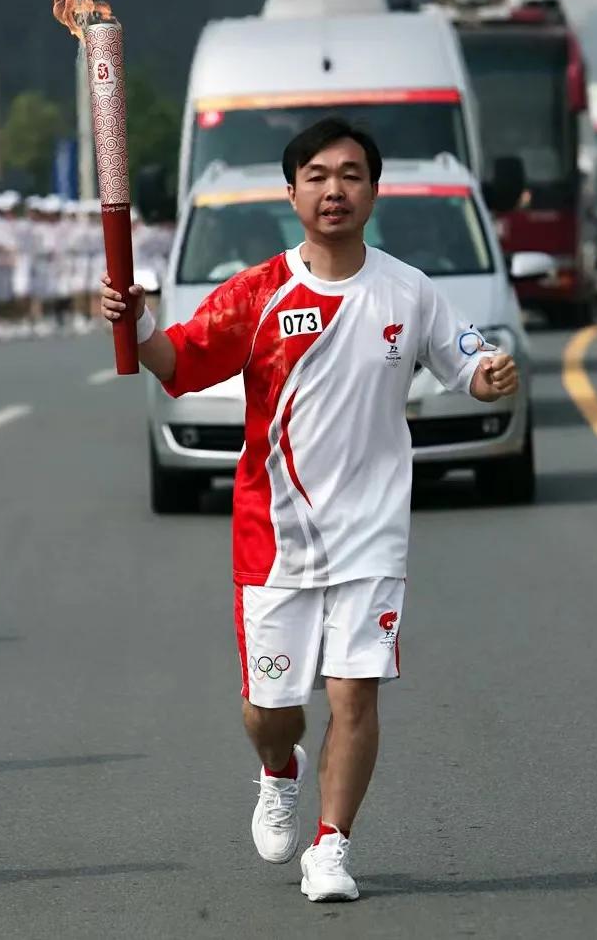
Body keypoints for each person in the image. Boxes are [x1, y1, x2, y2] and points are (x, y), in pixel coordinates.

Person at [101, 117, 520, 903]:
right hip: (275, 540)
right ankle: (278, 770)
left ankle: (332, 847)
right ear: (292, 192)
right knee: (271, 711)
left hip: (373, 537)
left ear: (373, 189)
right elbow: (181, 365)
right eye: (319, 176)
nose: (336, 189)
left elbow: (470, 363)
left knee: (353, 693)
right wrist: (141, 322)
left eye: (352, 174)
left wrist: (488, 378)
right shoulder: (258, 293)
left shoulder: (408, 288)